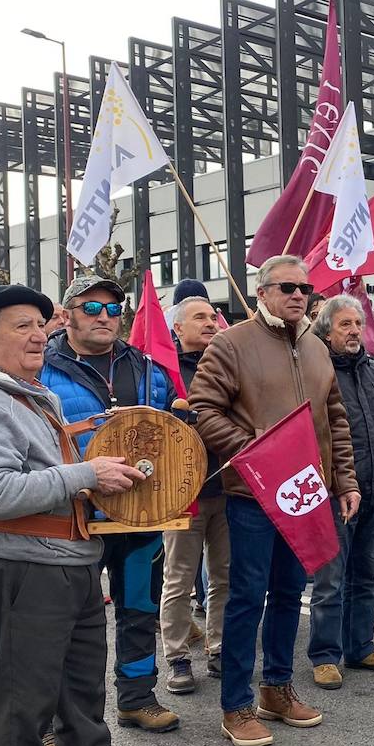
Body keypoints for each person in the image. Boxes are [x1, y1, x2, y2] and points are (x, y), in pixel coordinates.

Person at [0, 284, 146, 746]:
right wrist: (88, 474)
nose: (38, 336)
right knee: (22, 715)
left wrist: (93, 482)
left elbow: (42, 477)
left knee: (82, 705)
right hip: (23, 569)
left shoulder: (25, 394)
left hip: (66, 564)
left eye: (40, 325)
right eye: (21, 326)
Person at [188, 255, 358, 746]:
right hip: (254, 494)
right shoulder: (231, 343)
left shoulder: (315, 346)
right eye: (286, 286)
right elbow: (203, 409)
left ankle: (277, 690)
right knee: (246, 598)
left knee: (289, 595)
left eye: (305, 288)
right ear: (261, 292)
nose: (298, 295)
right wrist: (259, 451)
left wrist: (344, 481)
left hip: (308, 493)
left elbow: (335, 419)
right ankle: (235, 706)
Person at [40, 274, 181, 733]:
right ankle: (52, 721)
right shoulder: (38, 367)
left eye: (113, 309)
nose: (104, 316)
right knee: (63, 626)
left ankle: (137, 699)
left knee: (139, 611)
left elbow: (168, 439)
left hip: (139, 517)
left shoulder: (147, 368)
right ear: (67, 315)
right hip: (72, 518)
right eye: (92, 308)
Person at [307, 295, 374, 690]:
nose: (353, 332)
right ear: (327, 330)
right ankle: (325, 655)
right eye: (345, 325)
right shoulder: (317, 369)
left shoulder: (371, 369)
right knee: (331, 579)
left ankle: (360, 646)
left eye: (357, 325)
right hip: (336, 491)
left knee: (366, 576)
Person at [160, 297, 230, 695]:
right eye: (200, 317)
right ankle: (178, 658)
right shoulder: (164, 373)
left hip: (228, 487)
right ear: (178, 328)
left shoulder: (227, 365)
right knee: (180, 579)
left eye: (212, 316)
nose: (211, 322)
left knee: (224, 577)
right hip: (183, 494)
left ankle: (218, 648)